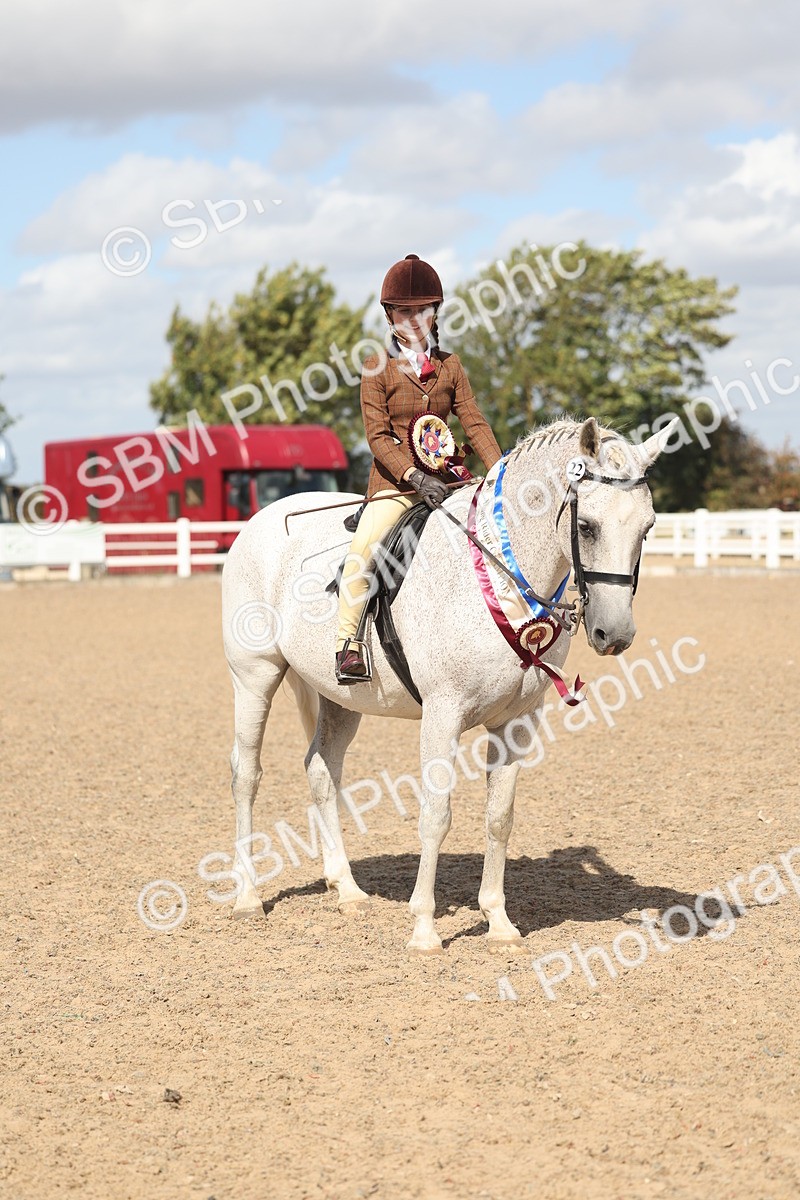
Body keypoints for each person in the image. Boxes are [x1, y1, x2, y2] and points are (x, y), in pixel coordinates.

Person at [335, 253, 503, 682]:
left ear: (435, 313)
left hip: (448, 480)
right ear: (390, 315)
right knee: (364, 551)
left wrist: (501, 471)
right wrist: (414, 477)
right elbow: (377, 437)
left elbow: (473, 419)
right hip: (397, 485)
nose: (414, 320)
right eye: (404, 312)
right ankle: (348, 643)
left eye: (422, 311)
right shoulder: (376, 366)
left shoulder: (450, 365)